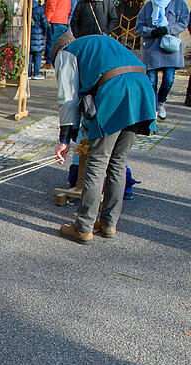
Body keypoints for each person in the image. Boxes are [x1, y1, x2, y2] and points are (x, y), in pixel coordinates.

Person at [51, 32, 156, 243]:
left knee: (97, 163)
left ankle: (83, 227)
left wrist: (64, 139)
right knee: (118, 162)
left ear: (58, 52)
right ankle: (109, 224)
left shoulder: (67, 53)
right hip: (142, 90)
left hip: (116, 91)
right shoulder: (98, 44)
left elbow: (68, 98)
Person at [135, 0, 189, 120]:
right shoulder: (149, 5)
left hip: (170, 49)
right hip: (152, 50)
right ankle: (153, 109)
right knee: (151, 82)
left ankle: (161, 101)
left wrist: (168, 29)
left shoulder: (179, 3)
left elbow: (184, 22)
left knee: (169, 80)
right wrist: (152, 32)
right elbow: (139, 27)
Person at [44, 0, 71, 66]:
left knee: (51, 42)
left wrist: (47, 19)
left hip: (54, 19)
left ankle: (49, 61)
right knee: (60, 43)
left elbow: (51, 5)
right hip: (63, 20)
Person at [29, 0, 50, 79]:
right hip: (38, 33)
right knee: (38, 54)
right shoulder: (40, 9)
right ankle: (36, 73)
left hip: (29, 33)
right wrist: (44, 33)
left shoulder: (26, 8)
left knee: (29, 54)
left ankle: (28, 73)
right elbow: (44, 23)